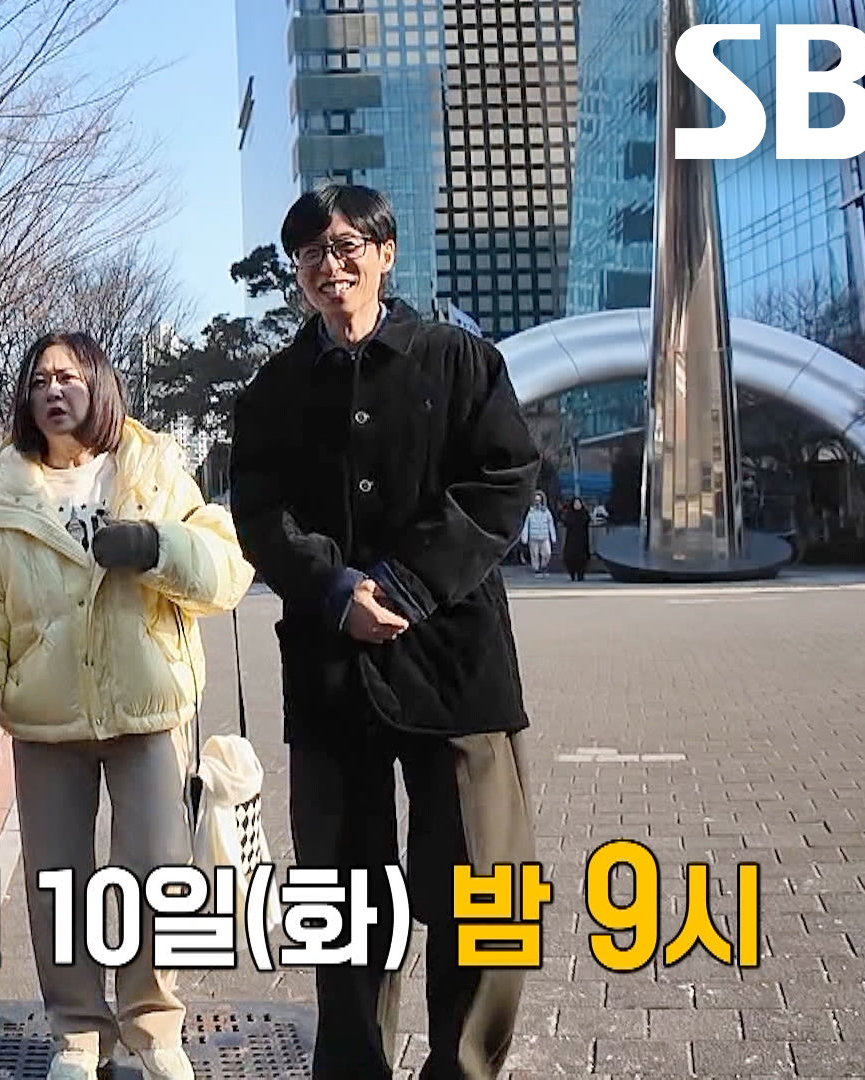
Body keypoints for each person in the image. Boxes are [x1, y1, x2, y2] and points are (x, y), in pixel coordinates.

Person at [227, 184, 541, 1080]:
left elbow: (503, 479)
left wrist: (404, 583)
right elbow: (260, 513)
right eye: (310, 253)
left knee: (484, 885)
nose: (330, 266)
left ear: (385, 252)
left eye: (346, 246)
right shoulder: (273, 390)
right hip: (331, 668)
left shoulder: (460, 361)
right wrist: (334, 588)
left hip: (455, 663)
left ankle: (464, 1067)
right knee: (343, 895)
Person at [0, 332, 253, 1080]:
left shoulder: (154, 465)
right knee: (57, 880)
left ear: (101, 385)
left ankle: (153, 1023)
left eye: (69, 377)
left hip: (148, 708)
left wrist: (154, 546)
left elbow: (226, 571)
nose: (53, 390)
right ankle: (77, 1031)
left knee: (155, 870)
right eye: (39, 380)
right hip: (45, 716)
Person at [523, 491, 556, 575]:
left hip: (545, 537)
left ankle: (543, 566)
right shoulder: (530, 512)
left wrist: (553, 537)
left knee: (547, 553)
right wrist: (524, 537)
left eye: (539, 500)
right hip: (533, 537)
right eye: (536, 500)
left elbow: (551, 524)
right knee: (534, 555)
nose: (537, 502)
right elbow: (526, 525)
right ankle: (536, 569)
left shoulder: (547, 512)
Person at [562, 496, 593, 581]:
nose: (577, 505)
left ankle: (581, 574)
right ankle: (572, 573)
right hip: (571, 540)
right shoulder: (570, 514)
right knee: (570, 557)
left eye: (579, 503)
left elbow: (588, 520)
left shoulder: (584, 513)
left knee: (582, 558)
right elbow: (565, 522)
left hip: (582, 539)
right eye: (575, 503)